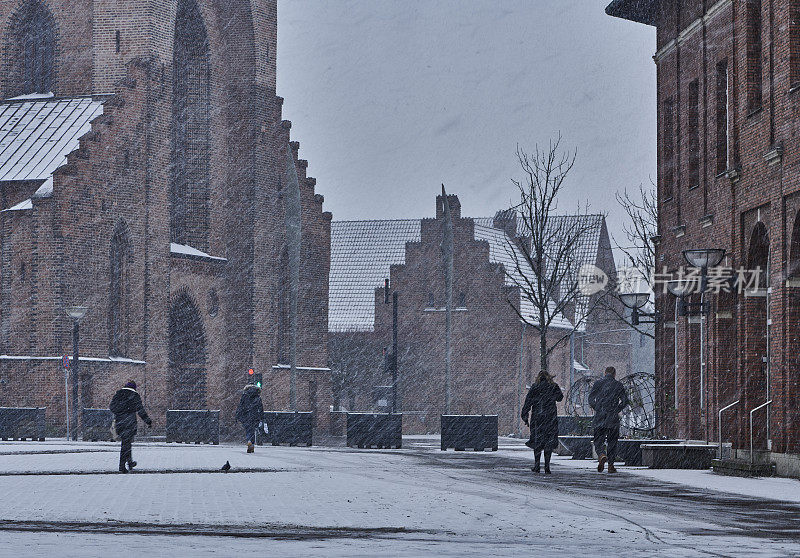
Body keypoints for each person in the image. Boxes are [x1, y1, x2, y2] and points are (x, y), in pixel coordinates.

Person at [588, 366, 629, 473]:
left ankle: (601, 454)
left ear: (605, 373)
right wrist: (616, 409)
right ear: (614, 374)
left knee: (598, 440)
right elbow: (625, 401)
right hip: (613, 417)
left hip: (600, 416)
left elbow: (591, 398)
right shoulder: (618, 385)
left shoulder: (598, 384)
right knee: (612, 442)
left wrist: (597, 407)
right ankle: (611, 465)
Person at [521, 371, 564, 474]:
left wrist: (525, 416)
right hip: (550, 418)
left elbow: (528, 402)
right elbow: (560, 398)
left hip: (537, 418)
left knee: (537, 442)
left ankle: (537, 465)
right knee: (548, 442)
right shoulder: (553, 386)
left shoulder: (535, 387)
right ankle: (547, 466)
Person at [109, 380, 152, 473]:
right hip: (129, 422)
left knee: (127, 443)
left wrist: (120, 412)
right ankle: (121, 466)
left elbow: (111, 407)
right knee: (126, 444)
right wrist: (148, 421)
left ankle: (130, 462)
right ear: (134, 388)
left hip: (120, 422)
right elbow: (140, 410)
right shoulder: (134, 396)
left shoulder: (118, 394)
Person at [236, 383, 264, 453]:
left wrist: (238, 415)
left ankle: (249, 441)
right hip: (255, 416)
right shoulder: (257, 397)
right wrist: (261, 417)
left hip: (246, 415)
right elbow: (260, 408)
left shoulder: (245, 395)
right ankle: (252, 444)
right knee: (253, 431)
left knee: (248, 430)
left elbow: (240, 406)